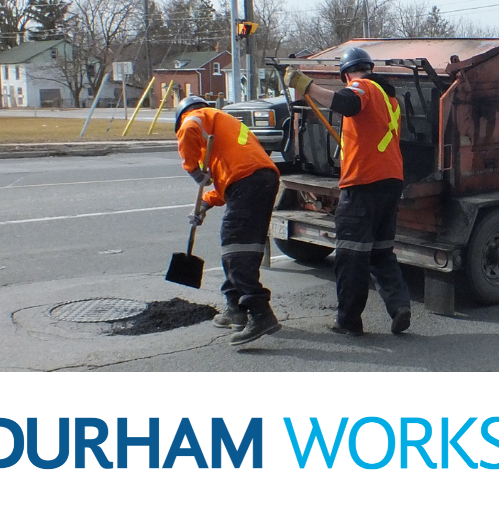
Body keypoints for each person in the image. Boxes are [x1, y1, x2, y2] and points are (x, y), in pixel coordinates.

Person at [284, 48, 412, 336]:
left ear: (346, 73)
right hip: (391, 182)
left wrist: (307, 86)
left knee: (351, 255)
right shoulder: (390, 99)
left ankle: (348, 320)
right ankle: (399, 305)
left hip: (363, 184)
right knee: (381, 253)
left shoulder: (362, 86)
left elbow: (347, 103)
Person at [174, 95, 282, 346]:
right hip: (261, 181)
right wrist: (204, 204)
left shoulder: (199, 117)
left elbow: (189, 128)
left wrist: (193, 170)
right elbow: (227, 182)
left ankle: (260, 312)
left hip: (248, 183)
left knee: (235, 249)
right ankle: (235, 308)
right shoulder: (224, 127)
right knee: (245, 249)